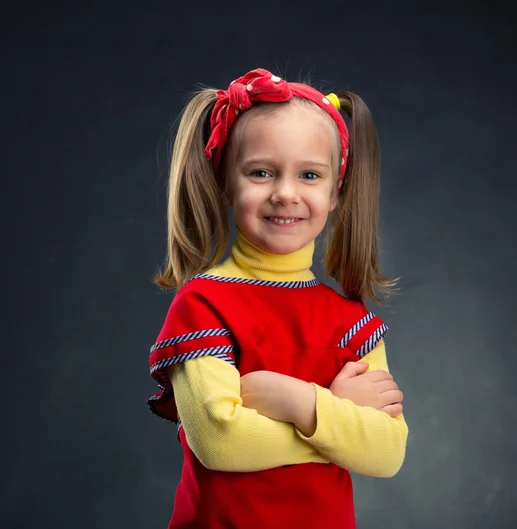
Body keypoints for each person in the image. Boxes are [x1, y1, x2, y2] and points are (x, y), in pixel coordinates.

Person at [147, 67, 409, 529]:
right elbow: (220, 441)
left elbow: (386, 452)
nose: (285, 193)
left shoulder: (352, 322)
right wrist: (335, 415)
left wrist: (298, 400)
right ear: (226, 183)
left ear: (336, 193)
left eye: (310, 174)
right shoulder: (202, 305)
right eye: (262, 172)